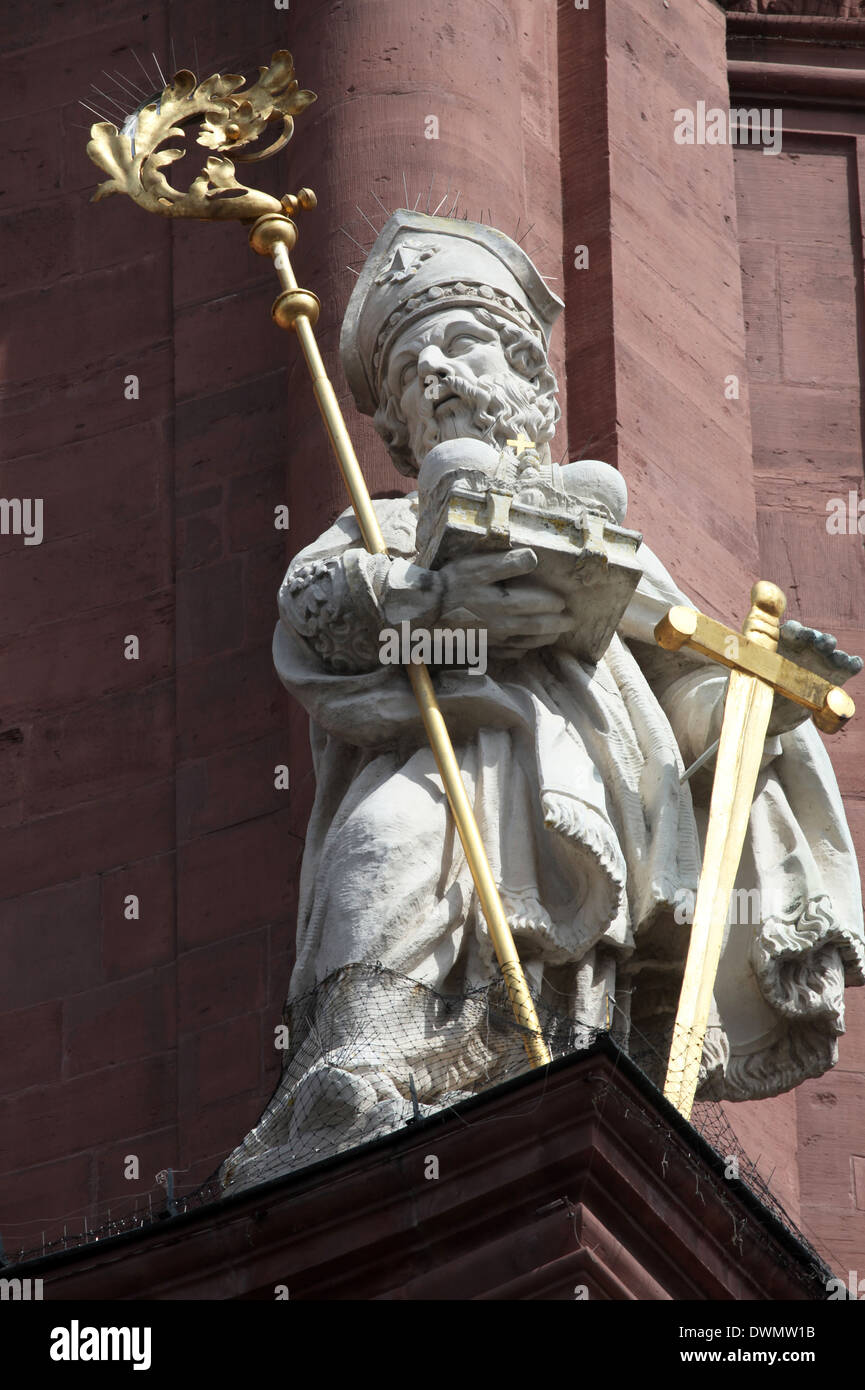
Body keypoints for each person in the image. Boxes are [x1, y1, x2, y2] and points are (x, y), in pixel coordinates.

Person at [220, 212, 863, 1189]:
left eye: (460, 344)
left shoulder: (604, 529)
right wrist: (436, 608)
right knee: (379, 857)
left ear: (526, 377)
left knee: (578, 940)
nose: (434, 370)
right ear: (394, 425)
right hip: (432, 764)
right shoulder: (382, 522)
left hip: (588, 780)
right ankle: (347, 1083)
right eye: (407, 370)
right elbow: (314, 616)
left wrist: (753, 704)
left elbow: (680, 702)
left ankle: (555, 1076)